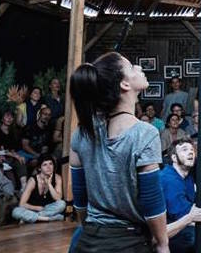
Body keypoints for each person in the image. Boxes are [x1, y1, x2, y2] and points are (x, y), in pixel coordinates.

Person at [69, 52, 170, 253]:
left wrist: (93, 230)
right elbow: (152, 204)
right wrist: (163, 244)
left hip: (87, 241)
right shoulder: (145, 133)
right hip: (128, 243)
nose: (140, 68)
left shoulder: (81, 133)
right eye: (133, 67)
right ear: (124, 84)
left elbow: (80, 199)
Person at [11, 153, 65, 223]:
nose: (49, 167)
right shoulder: (32, 180)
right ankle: (48, 219)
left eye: (51, 164)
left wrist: (49, 184)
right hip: (33, 209)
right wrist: (39, 208)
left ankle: (33, 218)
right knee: (16, 211)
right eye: (45, 165)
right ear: (39, 168)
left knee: (62, 204)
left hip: (48, 209)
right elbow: (22, 204)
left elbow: (58, 198)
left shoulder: (57, 178)